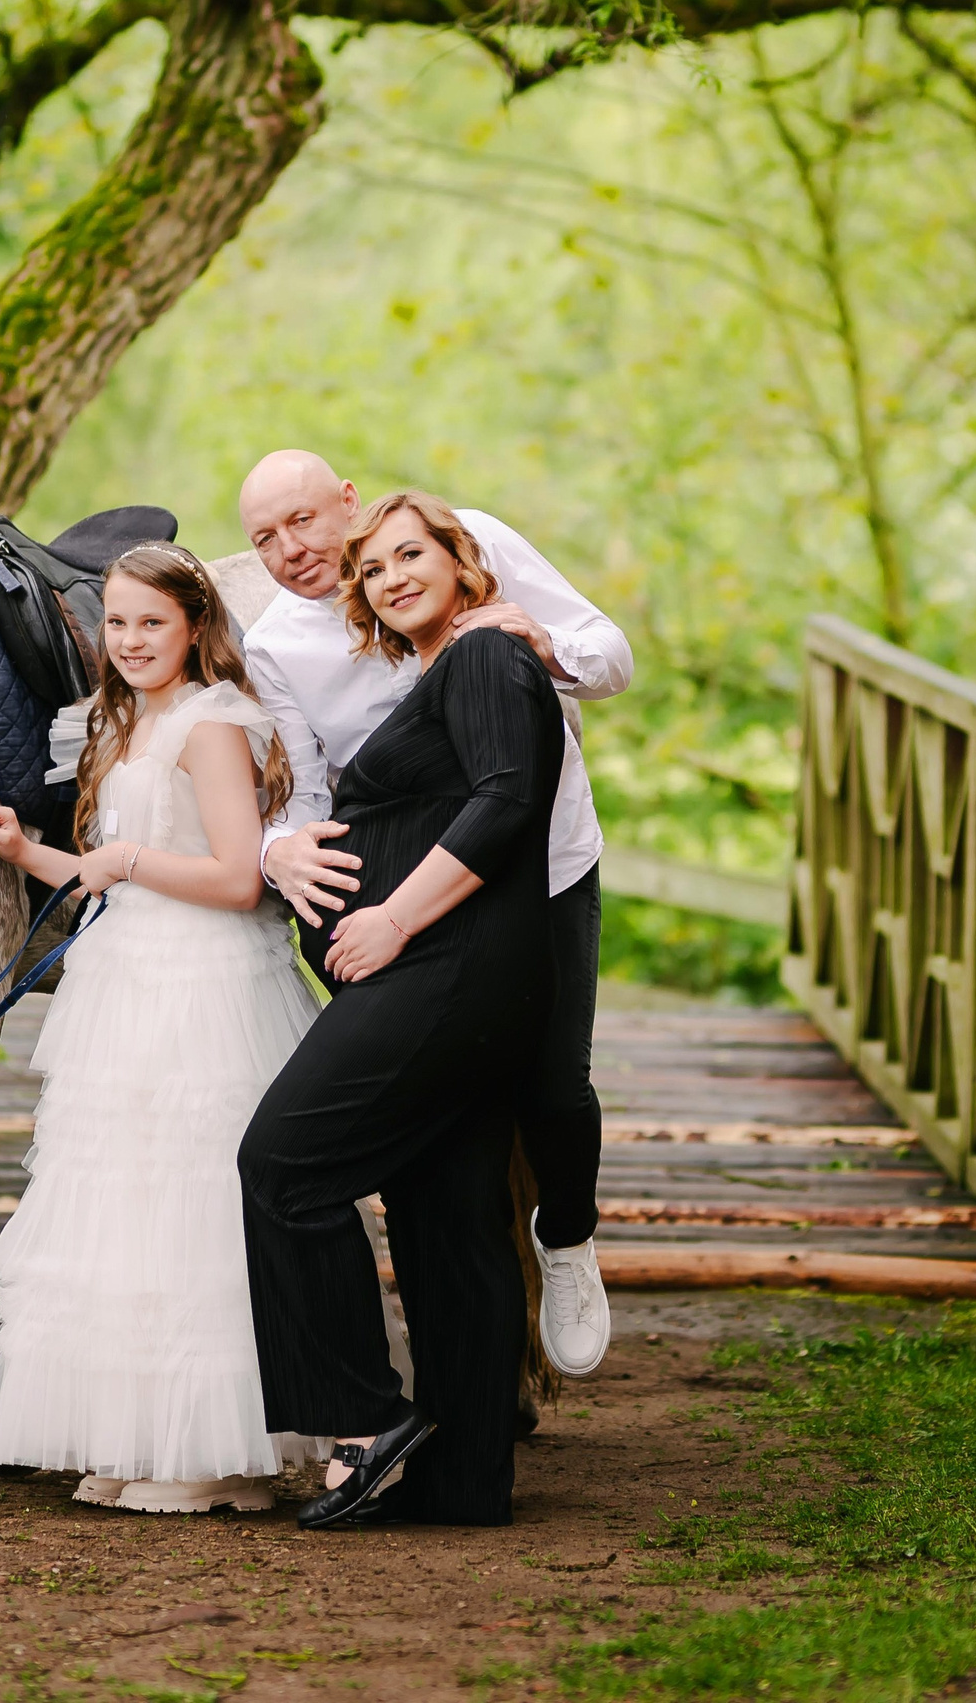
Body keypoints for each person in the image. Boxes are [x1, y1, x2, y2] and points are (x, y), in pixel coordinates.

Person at [238, 450, 629, 1378]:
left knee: (552, 1088)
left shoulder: (465, 541)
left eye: (303, 520)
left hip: (543, 866)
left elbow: (608, 656)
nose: (292, 550)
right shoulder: (278, 641)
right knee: (442, 1135)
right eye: (263, 539)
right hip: (406, 898)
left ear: (346, 500)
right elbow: (302, 789)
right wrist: (274, 849)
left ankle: (565, 1236)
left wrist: (542, 645)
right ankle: (473, 1372)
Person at [0, 542, 322, 1514]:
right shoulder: (121, 721)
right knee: (122, 1207)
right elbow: (104, 870)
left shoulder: (212, 725)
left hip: (204, 987)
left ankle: (212, 1449)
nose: (129, 640)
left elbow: (238, 877)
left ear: (195, 628)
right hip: (127, 980)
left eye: (150, 623)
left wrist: (122, 857)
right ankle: (133, 1431)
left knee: (192, 1212)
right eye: (116, 622)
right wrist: (28, 849)